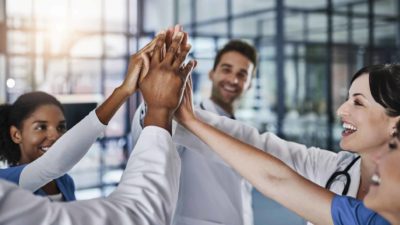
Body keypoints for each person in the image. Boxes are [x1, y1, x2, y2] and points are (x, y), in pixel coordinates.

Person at [0, 29, 196, 225]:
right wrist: (134, 96)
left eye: (61, 127)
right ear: (16, 134)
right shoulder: (7, 181)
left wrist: (128, 90)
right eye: (40, 127)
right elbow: (52, 164)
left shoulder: (64, 182)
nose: (54, 135)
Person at [173, 64, 400, 224]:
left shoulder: (371, 217)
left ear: (395, 124)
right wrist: (183, 117)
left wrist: (187, 119)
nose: (341, 110)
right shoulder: (335, 169)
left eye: (358, 102)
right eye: (347, 98)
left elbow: (277, 180)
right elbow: (260, 150)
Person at [131, 37, 258, 225]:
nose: (233, 79)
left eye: (242, 74)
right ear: (211, 74)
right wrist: (155, 99)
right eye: (226, 69)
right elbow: (150, 135)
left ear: (249, 84)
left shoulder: (245, 132)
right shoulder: (186, 120)